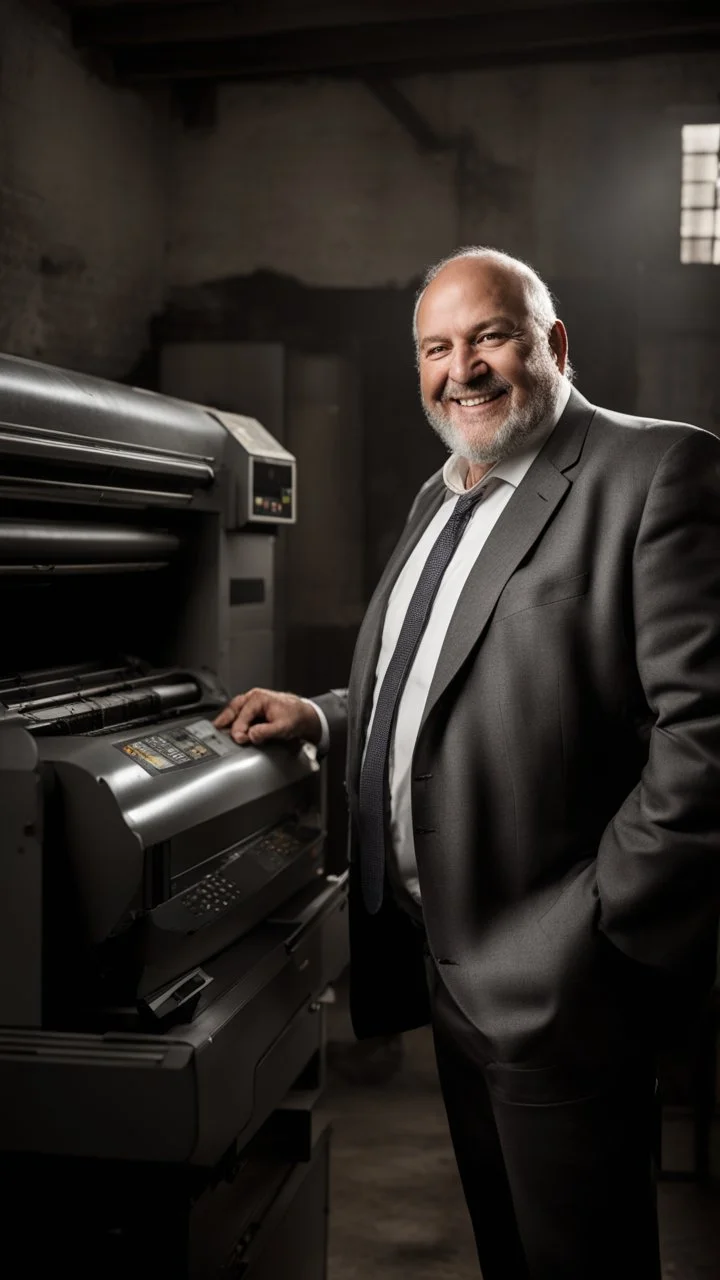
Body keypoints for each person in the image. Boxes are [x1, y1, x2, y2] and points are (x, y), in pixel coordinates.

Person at [214, 247, 720, 1280]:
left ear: (552, 343)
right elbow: (443, 687)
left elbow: (705, 736)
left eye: (488, 336)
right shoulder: (441, 497)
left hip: (561, 979)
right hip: (447, 970)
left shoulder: (655, 471)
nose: (463, 369)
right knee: (510, 1254)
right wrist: (322, 713)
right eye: (436, 348)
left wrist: (592, 933)